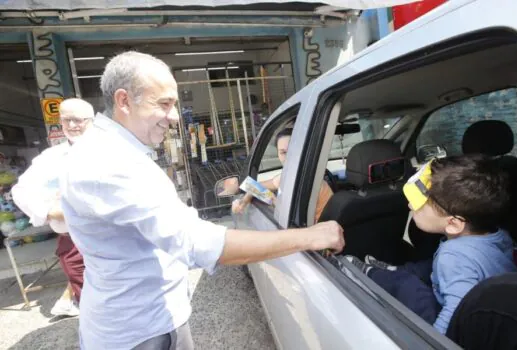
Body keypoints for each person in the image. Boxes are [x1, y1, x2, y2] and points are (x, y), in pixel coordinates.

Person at [59, 51, 344, 350]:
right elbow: (199, 243)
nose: (172, 117)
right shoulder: (109, 162)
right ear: (124, 101)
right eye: (164, 104)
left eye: (174, 105)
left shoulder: (109, 152)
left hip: (141, 320)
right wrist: (309, 236)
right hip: (141, 332)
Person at [345, 155, 517, 334]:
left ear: (453, 224)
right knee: (427, 266)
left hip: (452, 318)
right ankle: (396, 270)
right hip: (489, 300)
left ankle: (369, 273)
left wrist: (435, 339)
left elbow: (455, 313)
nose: (411, 205)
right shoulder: (499, 234)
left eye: (420, 203)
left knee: (409, 286)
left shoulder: (453, 256)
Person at [12, 98, 94, 317]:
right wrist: (49, 212)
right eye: (67, 120)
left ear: (92, 121)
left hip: (112, 238)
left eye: (79, 120)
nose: (73, 125)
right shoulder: (51, 158)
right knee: (89, 302)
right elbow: (20, 191)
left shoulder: (110, 152)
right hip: (72, 241)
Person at [233, 128, 334, 223]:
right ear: (278, 154)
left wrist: (272, 198)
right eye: (283, 152)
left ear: (303, 150)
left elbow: (289, 217)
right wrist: (244, 201)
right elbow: (253, 186)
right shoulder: (288, 176)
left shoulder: (308, 180)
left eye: (292, 150)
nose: (288, 157)